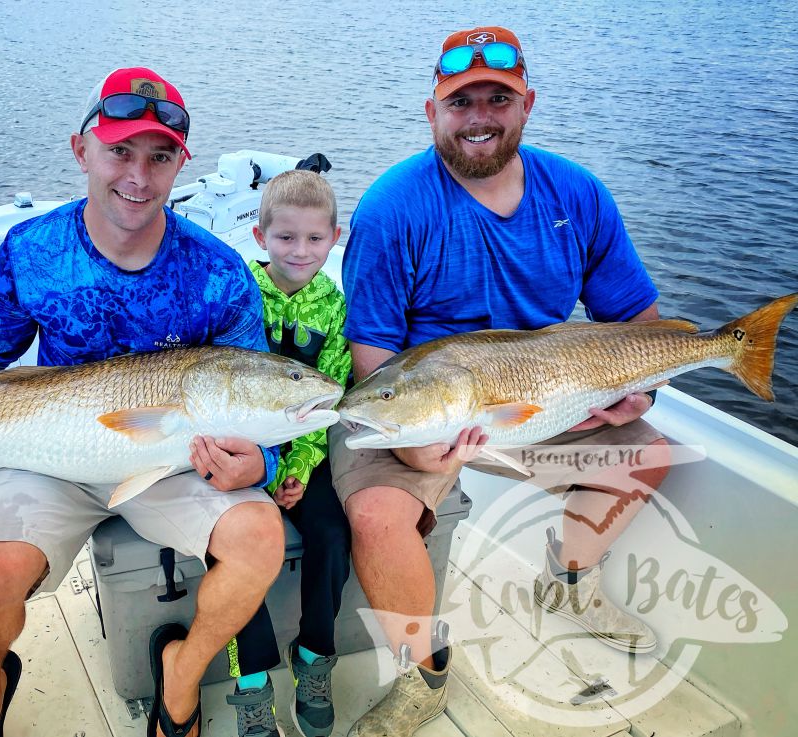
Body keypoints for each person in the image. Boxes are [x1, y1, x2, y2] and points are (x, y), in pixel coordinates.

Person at [0, 66, 286, 737]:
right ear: (82, 151)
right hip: (50, 450)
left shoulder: (220, 273)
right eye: (120, 151)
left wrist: (262, 466)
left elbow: (256, 394)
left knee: (260, 538)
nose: (138, 175)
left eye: (160, 157)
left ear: (180, 164)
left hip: (172, 457)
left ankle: (180, 678)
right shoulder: (34, 249)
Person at [330, 27, 672, 736]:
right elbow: (372, 357)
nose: (480, 116)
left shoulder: (577, 192)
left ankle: (570, 582)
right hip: (425, 403)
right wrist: (421, 449)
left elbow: (639, 322)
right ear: (433, 112)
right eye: (461, 102)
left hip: (539, 399)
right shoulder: (392, 206)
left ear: (527, 106)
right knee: (376, 516)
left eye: (498, 99)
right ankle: (424, 673)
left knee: (649, 450)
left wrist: (641, 389)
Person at [222, 170, 352, 737]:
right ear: (260, 237)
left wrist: (295, 471)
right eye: (285, 238)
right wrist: (253, 466)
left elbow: (329, 400)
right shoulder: (238, 292)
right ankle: (251, 683)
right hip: (236, 456)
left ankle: (314, 657)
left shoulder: (337, 309)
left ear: (335, 238)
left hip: (303, 455)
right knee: (231, 549)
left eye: (314, 239)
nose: (300, 251)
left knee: (330, 532)